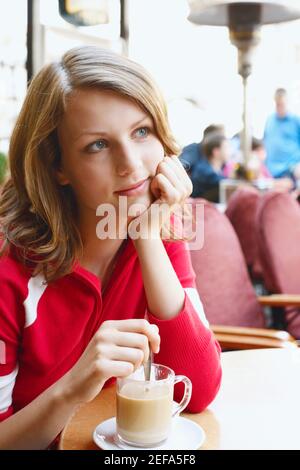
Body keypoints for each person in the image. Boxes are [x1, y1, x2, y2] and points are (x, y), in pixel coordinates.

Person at [0, 46, 221, 449]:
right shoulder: (9, 271)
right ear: (58, 167)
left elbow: (198, 390)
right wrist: (71, 390)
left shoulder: (159, 231)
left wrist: (148, 240)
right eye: (97, 145)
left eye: (141, 132)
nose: (131, 164)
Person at [264, 88, 300, 179]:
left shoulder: (296, 121)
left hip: (292, 170)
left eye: (282, 104)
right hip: (271, 171)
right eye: (277, 104)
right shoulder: (269, 120)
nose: (279, 107)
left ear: (287, 102)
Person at [191, 133, 231, 202]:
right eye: (226, 148)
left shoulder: (219, 168)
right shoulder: (202, 169)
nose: (229, 151)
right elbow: (221, 182)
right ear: (216, 151)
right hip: (198, 209)